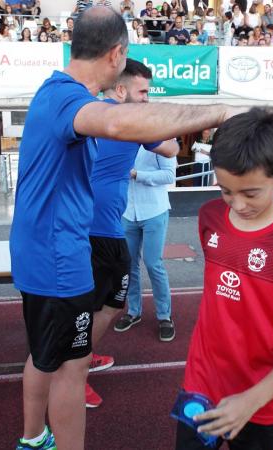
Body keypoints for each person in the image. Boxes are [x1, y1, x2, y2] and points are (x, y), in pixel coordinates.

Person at [10, 6, 238, 450]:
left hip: (44, 252)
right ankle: (44, 441)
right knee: (71, 368)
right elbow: (118, 121)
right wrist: (219, 112)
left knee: (44, 356)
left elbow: (131, 129)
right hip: (59, 257)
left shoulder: (56, 94)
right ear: (117, 54)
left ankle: (33, 439)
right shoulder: (68, 98)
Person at [176, 108, 273, 449]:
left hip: (261, 398)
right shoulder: (209, 217)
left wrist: (251, 399)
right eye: (226, 190)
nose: (237, 204)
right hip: (201, 382)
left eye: (251, 193)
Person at [87, 58, 179, 407]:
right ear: (121, 89)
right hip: (102, 230)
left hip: (103, 224)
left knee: (109, 297)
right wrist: (159, 121)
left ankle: (83, 356)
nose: (146, 100)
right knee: (100, 303)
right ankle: (76, 369)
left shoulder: (91, 113)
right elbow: (171, 148)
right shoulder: (130, 121)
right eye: (143, 92)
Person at [114, 138, 178, 341]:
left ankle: (164, 316)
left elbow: (169, 175)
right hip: (127, 211)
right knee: (129, 265)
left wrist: (136, 174)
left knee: (153, 264)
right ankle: (134, 311)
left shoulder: (162, 139)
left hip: (154, 210)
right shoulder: (120, 139)